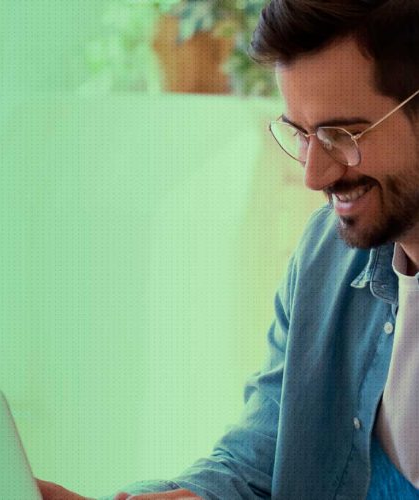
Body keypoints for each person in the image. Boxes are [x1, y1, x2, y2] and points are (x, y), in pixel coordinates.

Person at [36, 0, 419, 498]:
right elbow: (263, 455)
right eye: (302, 134)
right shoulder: (327, 253)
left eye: (341, 134)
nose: (314, 176)